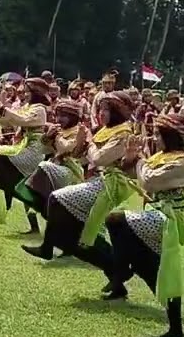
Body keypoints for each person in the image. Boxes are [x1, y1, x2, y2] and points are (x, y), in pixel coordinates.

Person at [99, 112, 184, 337]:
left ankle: (121, 270)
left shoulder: (181, 162)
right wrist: (130, 158)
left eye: (158, 135)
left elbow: (150, 181)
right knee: (151, 267)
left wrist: (140, 161)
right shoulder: (162, 156)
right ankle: (175, 328)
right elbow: (133, 173)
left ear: (170, 137)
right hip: (153, 216)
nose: (155, 139)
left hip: (167, 220)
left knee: (116, 220)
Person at [23, 91, 138, 265]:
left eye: (106, 110)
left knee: (57, 198)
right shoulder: (105, 131)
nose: (101, 113)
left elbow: (98, 159)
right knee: (62, 204)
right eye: (100, 109)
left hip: (113, 184)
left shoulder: (123, 134)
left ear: (116, 111)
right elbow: (79, 156)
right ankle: (55, 245)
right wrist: (76, 141)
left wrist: (87, 142)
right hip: (98, 180)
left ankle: (53, 245)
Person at [0, 77, 53, 233]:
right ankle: (34, 227)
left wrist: (3, 108)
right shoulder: (28, 106)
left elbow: (22, 120)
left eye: (28, 92)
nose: (25, 94)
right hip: (24, 146)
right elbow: (9, 122)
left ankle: (9, 188)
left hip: (34, 151)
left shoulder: (39, 109)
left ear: (36, 93)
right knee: (24, 189)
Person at [20, 99, 88, 214]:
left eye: (63, 116)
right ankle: (35, 210)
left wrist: (57, 136)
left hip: (72, 172)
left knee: (45, 166)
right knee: (26, 184)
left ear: (73, 117)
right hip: (56, 167)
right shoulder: (59, 131)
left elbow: (66, 148)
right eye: (58, 115)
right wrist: (47, 136)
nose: (59, 119)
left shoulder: (79, 131)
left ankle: (43, 204)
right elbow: (43, 150)